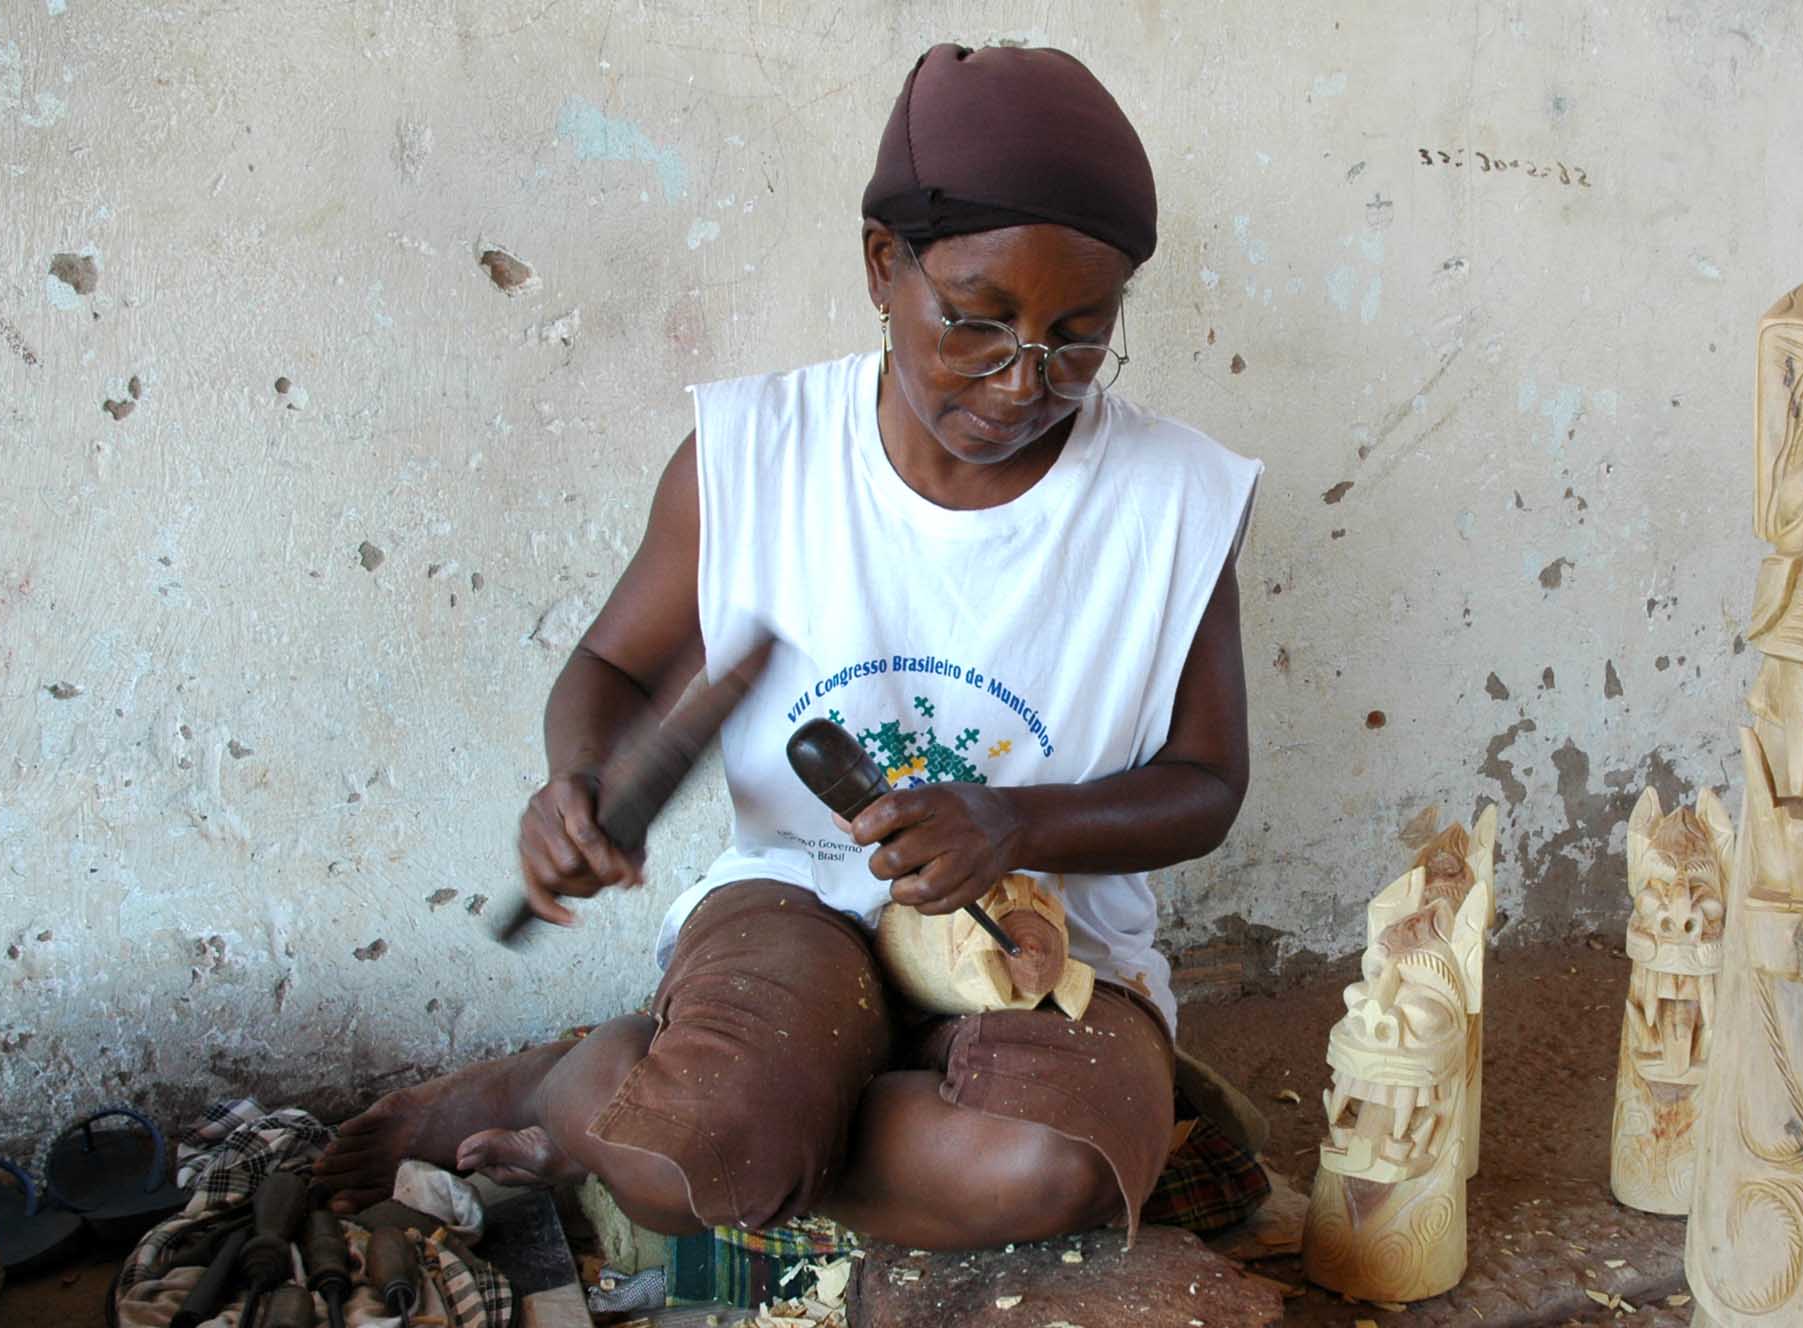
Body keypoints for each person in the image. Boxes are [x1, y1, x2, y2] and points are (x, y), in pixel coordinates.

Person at [313, 44, 1262, 1250]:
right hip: (802, 899)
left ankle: (747, 1118)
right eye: (978, 324)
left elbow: (1206, 783)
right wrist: (580, 781)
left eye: (1078, 337)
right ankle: (576, 1085)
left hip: (1044, 930)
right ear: (884, 266)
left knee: (1040, 1170)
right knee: (697, 1152)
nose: (1025, 380)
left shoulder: (1176, 502)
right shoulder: (751, 459)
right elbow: (608, 672)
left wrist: (1019, 824)